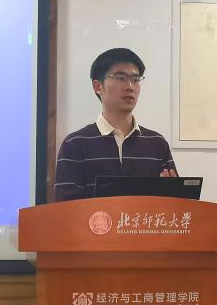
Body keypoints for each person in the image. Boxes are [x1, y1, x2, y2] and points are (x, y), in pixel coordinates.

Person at [54, 47, 177, 202]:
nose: (130, 86)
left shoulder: (157, 143)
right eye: (120, 78)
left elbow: (175, 207)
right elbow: (66, 209)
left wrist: (174, 196)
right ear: (98, 87)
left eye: (135, 79)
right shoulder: (75, 144)